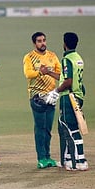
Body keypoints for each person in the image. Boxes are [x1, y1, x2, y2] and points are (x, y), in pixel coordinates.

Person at [23, 32, 61, 169]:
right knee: (40, 128)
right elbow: (28, 73)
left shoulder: (52, 56)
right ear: (34, 43)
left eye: (44, 40)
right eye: (39, 41)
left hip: (51, 96)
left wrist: (51, 74)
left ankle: (48, 156)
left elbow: (60, 74)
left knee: (48, 129)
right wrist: (40, 72)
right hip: (37, 96)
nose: (43, 43)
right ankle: (41, 158)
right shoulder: (29, 57)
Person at [54, 32, 88, 171]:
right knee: (68, 127)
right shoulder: (78, 58)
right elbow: (66, 77)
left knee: (70, 128)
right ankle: (68, 158)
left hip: (68, 97)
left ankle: (79, 161)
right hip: (78, 96)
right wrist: (49, 72)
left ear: (64, 43)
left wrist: (56, 91)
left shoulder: (66, 59)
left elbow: (68, 81)